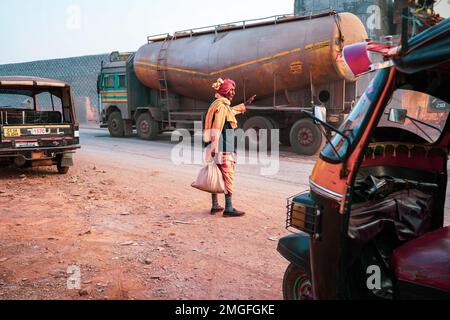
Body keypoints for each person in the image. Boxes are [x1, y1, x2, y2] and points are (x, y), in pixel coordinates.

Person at [204, 78, 256, 217]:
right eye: (231, 90)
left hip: (217, 148)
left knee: (215, 175)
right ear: (224, 91)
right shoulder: (221, 107)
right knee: (228, 176)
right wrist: (215, 146)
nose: (233, 93)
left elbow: (232, 111)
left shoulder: (220, 105)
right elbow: (217, 127)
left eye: (233, 90)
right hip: (223, 149)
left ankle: (215, 205)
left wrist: (244, 105)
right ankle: (229, 208)